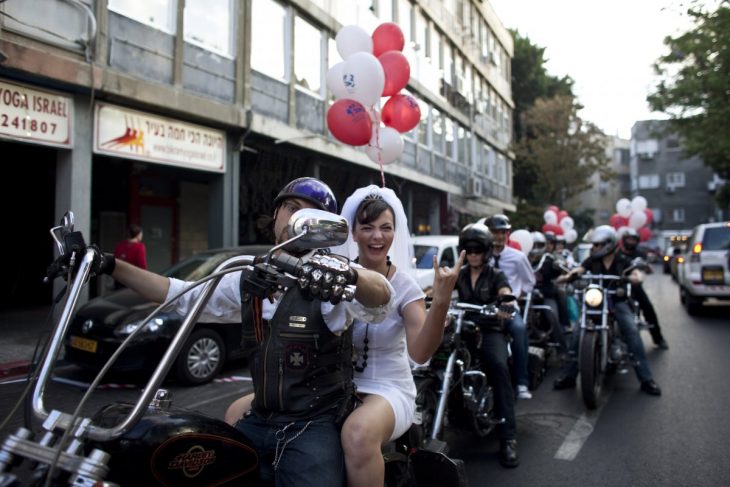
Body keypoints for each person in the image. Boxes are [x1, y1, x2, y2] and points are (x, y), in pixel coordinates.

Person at [95, 177, 395, 487]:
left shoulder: (330, 275)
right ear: (276, 212)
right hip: (260, 418)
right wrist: (108, 264)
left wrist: (349, 275)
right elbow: (179, 294)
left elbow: (380, 299)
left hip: (313, 425)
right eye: (291, 208)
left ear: (325, 227)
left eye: (310, 215)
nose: (297, 221)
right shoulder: (250, 275)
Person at [227, 185, 464, 487]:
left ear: (395, 234)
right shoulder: (329, 276)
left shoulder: (404, 286)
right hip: (332, 387)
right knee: (236, 411)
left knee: (358, 432)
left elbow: (420, 354)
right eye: (367, 227)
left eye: (385, 228)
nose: (376, 236)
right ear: (351, 233)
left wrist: (441, 302)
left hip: (385, 388)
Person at [554, 225, 662, 396]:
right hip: (595, 301)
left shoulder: (621, 260)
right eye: (593, 245)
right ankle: (569, 375)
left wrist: (634, 277)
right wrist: (568, 276)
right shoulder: (593, 260)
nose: (593, 248)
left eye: (597, 245)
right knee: (577, 332)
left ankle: (646, 378)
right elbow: (580, 269)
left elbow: (636, 273)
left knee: (632, 331)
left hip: (616, 300)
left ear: (608, 244)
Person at [454, 222, 520, 468]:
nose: (472, 255)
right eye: (469, 250)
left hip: (490, 330)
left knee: (498, 367)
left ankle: (508, 439)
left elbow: (506, 291)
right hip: (464, 330)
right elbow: (439, 289)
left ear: (485, 252)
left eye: (477, 250)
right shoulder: (459, 274)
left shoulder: (495, 275)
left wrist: (505, 304)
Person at [485, 214, 535, 400]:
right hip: (486, 306)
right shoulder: (482, 256)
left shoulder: (518, 257)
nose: (498, 236)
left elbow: (529, 283)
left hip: (508, 306)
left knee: (519, 329)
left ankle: (522, 382)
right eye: (494, 232)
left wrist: (514, 297)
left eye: (502, 232)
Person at [619, 228, 669, 349]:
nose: (631, 242)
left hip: (634, 286)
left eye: (633, 239)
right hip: (618, 285)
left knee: (647, 308)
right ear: (624, 240)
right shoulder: (617, 252)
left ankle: (658, 338)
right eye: (629, 239)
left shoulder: (639, 253)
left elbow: (648, 269)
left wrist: (646, 267)